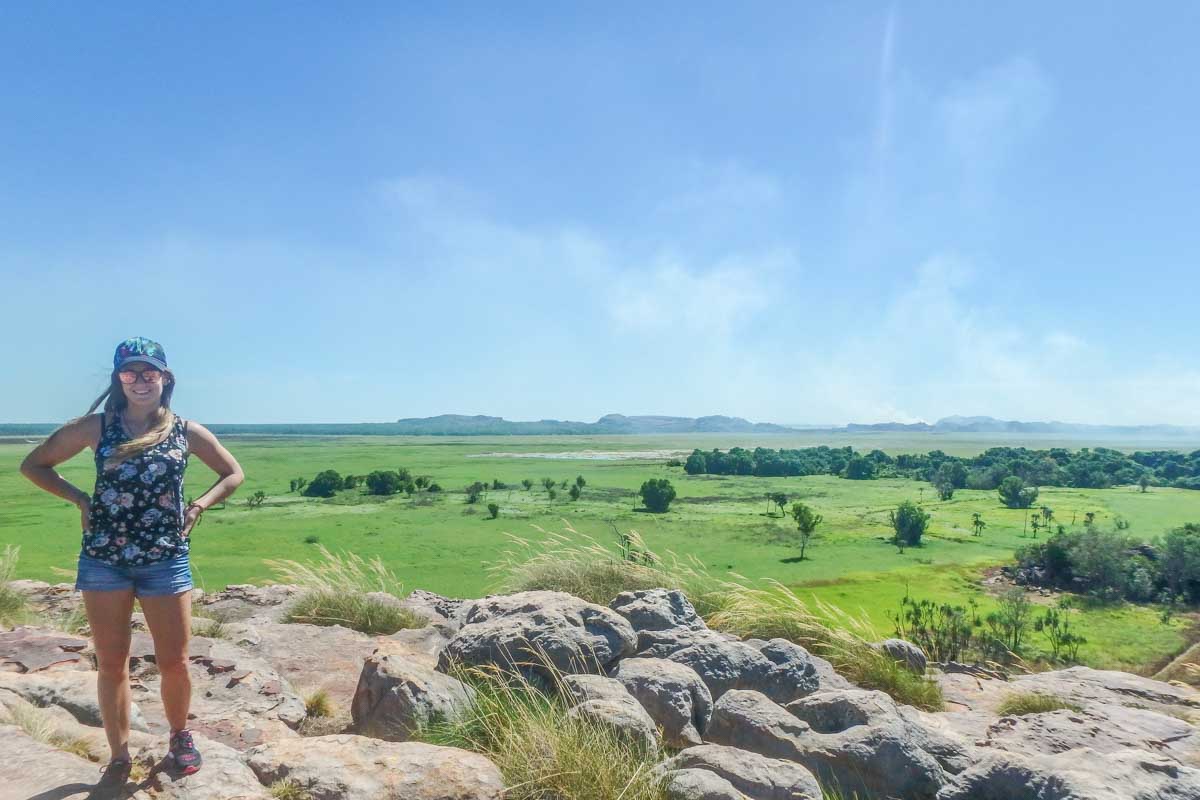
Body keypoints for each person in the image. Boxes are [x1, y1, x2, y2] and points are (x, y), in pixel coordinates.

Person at [19, 337, 244, 784]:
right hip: (105, 559)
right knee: (112, 660)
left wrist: (198, 506)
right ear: (118, 379)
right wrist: (79, 497)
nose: (140, 381)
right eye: (130, 372)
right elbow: (35, 465)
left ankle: (180, 735)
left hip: (165, 558)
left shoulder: (187, 431)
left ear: (165, 377)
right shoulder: (95, 427)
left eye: (149, 372)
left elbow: (232, 473)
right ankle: (119, 753)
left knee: (175, 661)